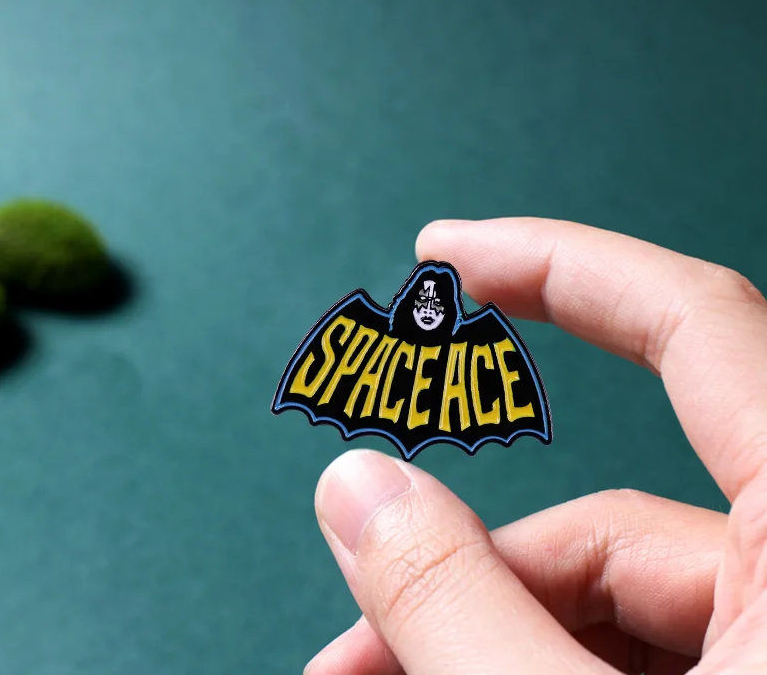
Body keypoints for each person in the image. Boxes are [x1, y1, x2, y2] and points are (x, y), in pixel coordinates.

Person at [304, 217, 767, 674]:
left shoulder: (482, 349)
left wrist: (421, 569)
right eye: (421, 300)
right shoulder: (365, 333)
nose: (428, 308)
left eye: (436, 301)